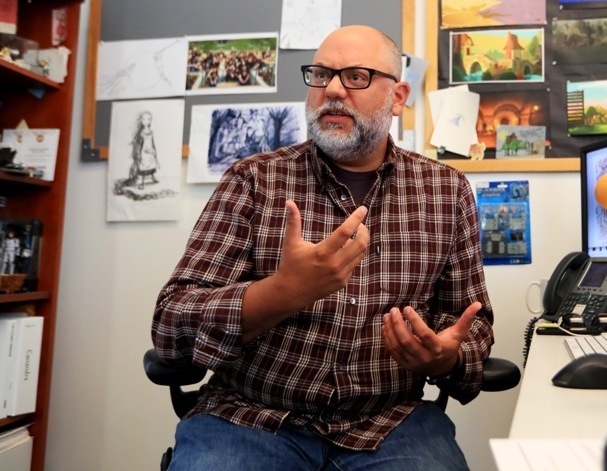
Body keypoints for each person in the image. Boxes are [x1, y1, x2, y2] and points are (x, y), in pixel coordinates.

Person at [152, 25, 494, 471]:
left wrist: (447, 357)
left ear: (397, 97)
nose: (332, 89)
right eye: (321, 74)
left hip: (389, 420)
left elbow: (471, 321)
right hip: (251, 416)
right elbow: (171, 324)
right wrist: (281, 293)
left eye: (355, 76)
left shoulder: (447, 191)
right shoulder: (253, 179)